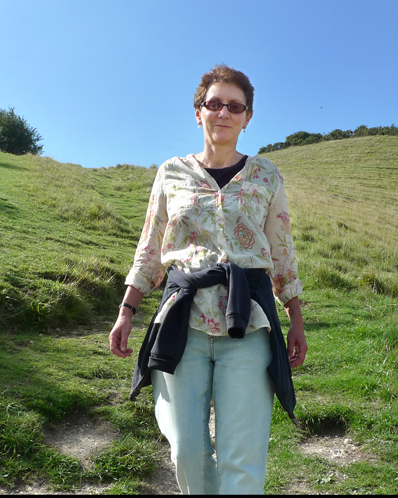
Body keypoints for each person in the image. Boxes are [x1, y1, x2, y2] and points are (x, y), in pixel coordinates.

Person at [109, 63, 307, 495]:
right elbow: (150, 245)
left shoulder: (266, 175)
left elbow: (282, 250)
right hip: (183, 320)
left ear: (247, 117)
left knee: (243, 456)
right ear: (198, 111)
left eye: (235, 106)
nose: (224, 113)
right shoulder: (171, 173)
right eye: (214, 103)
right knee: (187, 452)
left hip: (249, 322)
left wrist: (295, 319)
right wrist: (128, 309)